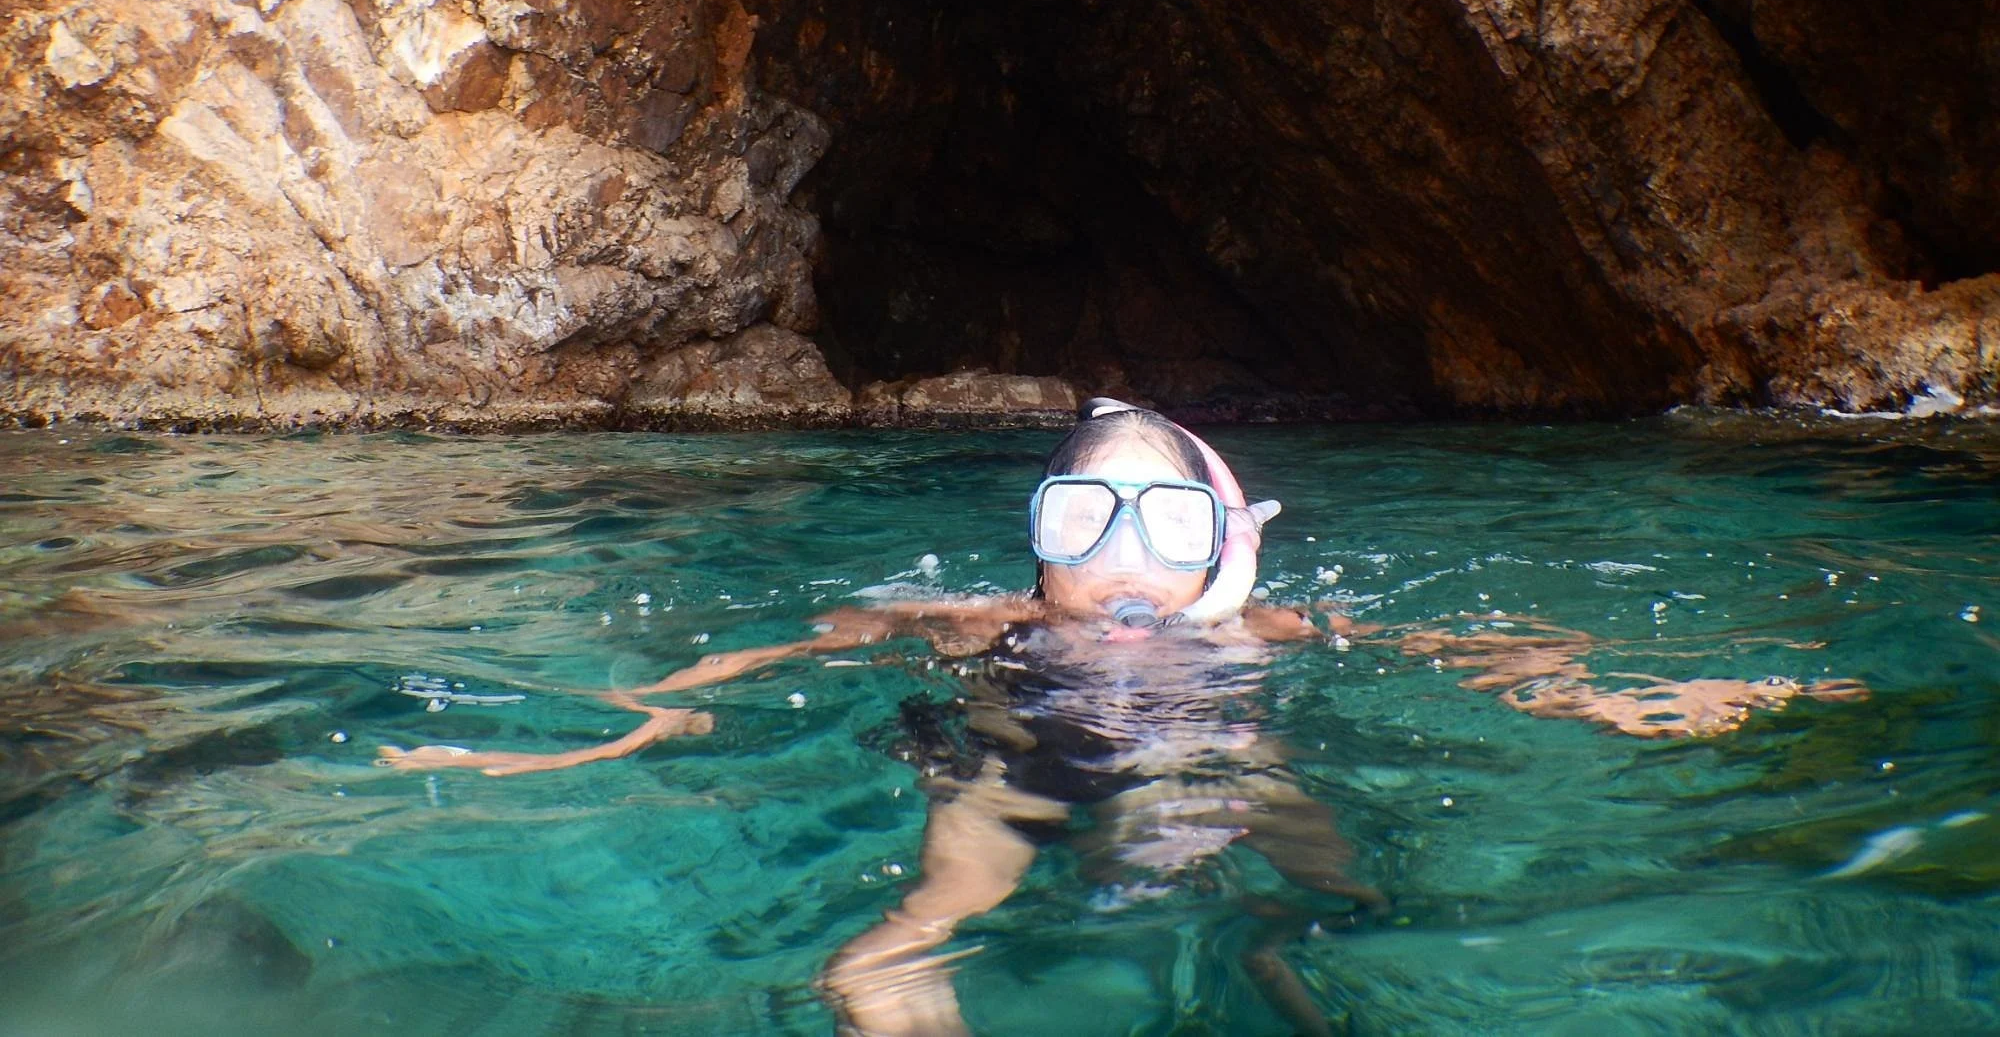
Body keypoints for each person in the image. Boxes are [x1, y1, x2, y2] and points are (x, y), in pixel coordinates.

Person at [381, 399, 1863, 1035]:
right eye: (1086, 518)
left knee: (1344, 898)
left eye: (1161, 524)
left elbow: (1458, 644)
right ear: (1037, 542)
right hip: (1016, 762)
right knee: (889, 950)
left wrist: (1606, 692)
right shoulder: (985, 622)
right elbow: (759, 661)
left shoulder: (1268, 622)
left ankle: (1281, 955)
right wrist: (586, 734)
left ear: (1221, 550)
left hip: (1226, 754)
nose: (1122, 562)